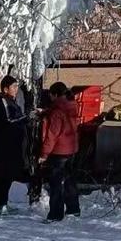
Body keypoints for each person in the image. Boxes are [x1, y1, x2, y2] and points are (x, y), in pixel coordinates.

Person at [0, 74, 28, 216]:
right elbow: (9, 120)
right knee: (2, 176)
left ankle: (1, 203)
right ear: (5, 88)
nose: (16, 89)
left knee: (7, 176)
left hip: (11, 146)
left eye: (17, 86)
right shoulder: (2, 102)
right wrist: (26, 118)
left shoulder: (11, 101)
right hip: (3, 147)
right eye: (14, 86)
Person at [41, 81, 82, 222]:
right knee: (70, 181)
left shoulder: (57, 112)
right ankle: (73, 209)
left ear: (55, 94)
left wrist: (44, 154)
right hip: (72, 149)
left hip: (59, 152)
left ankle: (55, 214)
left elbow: (52, 135)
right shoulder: (71, 106)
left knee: (56, 184)